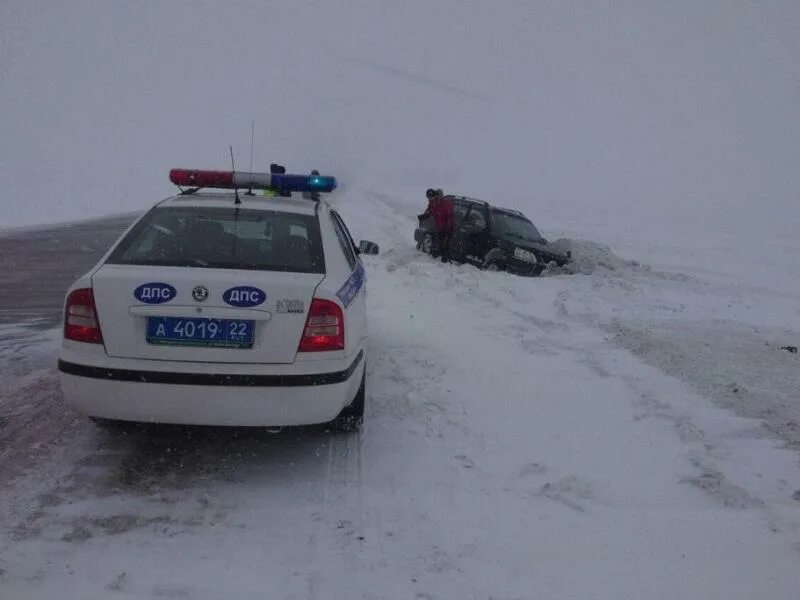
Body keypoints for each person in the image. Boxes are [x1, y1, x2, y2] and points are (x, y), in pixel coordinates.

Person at [419, 188, 454, 262]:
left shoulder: (445, 203)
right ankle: (441, 257)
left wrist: (448, 227)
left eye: (431, 197)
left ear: (435, 196)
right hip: (440, 227)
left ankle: (446, 259)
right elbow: (431, 211)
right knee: (440, 243)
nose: (430, 199)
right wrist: (425, 215)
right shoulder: (433, 203)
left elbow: (449, 215)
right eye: (428, 198)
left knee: (445, 244)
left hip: (447, 227)